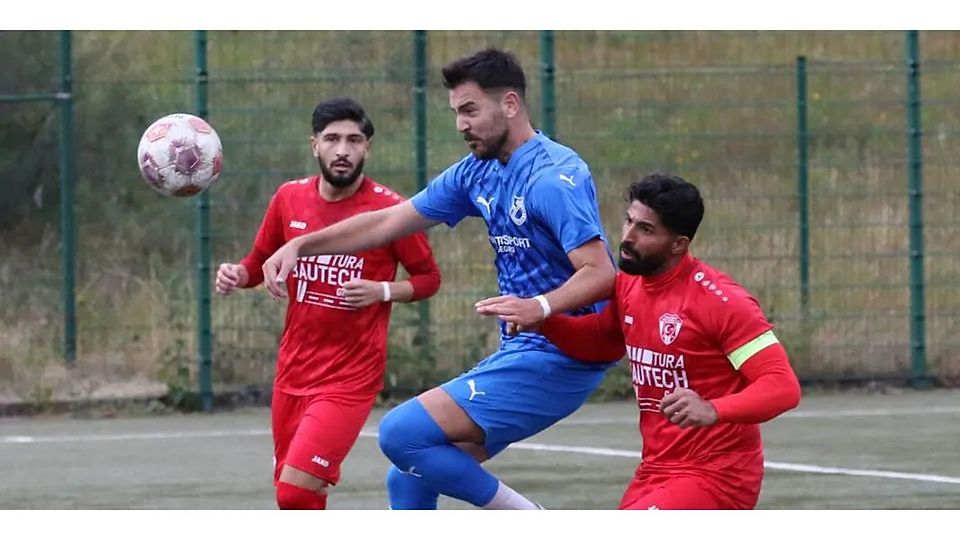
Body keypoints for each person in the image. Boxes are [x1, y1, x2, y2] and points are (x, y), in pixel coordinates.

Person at [261, 48, 618, 510]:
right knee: (409, 476)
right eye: (455, 113)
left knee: (402, 434)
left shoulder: (551, 176)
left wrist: (540, 306)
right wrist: (299, 246)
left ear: (510, 105)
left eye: (470, 110)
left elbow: (601, 272)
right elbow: (387, 222)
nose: (461, 124)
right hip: (526, 347)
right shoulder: (478, 172)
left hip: (567, 353)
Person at [215, 97, 441, 510]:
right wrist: (237, 274)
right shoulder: (289, 198)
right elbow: (257, 263)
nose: (343, 150)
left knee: (296, 490)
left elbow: (429, 279)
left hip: (349, 376)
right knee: (297, 499)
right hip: (293, 371)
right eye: (332, 139)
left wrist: (383, 291)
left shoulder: (391, 211)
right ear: (314, 145)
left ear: (367, 148)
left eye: (354, 140)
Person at [536, 172, 802, 509]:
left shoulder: (722, 302)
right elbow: (603, 341)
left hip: (716, 477)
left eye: (645, 230)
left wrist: (713, 409)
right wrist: (542, 321)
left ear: (679, 244)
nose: (627, 237)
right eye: (628, 222)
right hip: (654, 470)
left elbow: (782, 386)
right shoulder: (630, 284)